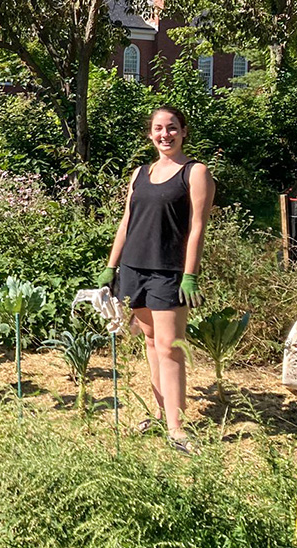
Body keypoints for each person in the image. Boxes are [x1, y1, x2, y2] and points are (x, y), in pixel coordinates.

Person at [97, 105, 215, 454]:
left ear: (183, 131)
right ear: (150, 134)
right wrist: (111, 266)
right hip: (135, 267)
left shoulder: (195, 173)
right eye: (159, 129)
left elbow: (197, 228)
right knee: (150, 342)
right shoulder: (140, 173)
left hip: (169, 271)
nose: (165, 134)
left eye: (172, 128)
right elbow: (126, 222)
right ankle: (160, 414)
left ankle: (177, 429)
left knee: (170, 347)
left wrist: (190, 274)